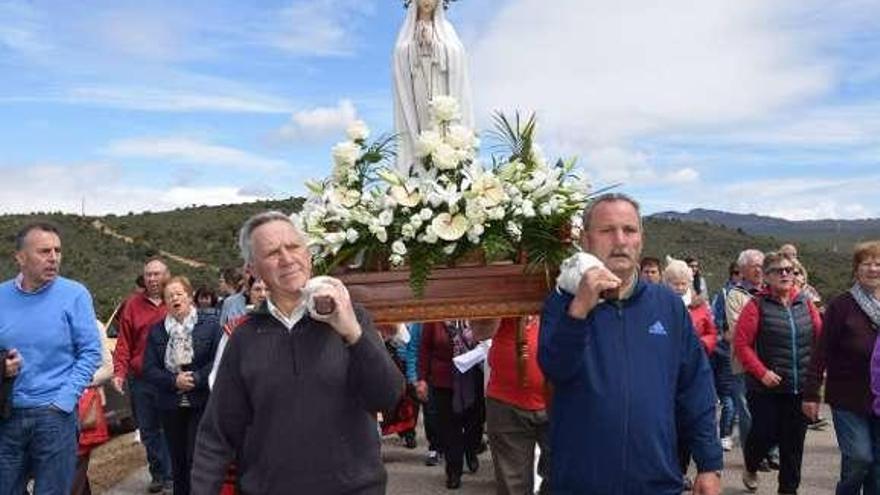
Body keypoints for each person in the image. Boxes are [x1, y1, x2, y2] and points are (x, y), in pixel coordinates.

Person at [191, 211, 404, 494]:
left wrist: (353, 333)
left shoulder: (354, 319)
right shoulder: (243, 339)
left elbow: (387, 397)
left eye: (293, 247)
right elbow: (216, 434)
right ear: (252, 269)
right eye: (272, 252)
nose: (287, 258)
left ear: (308, 254)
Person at [538, 193, 722, 494]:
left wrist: (709, 464)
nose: (620, 240)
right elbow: (555, 370)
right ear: (586, 240)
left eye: (629, 230)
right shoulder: (562, 302)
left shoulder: (668, 305)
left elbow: (695, 387)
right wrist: (580, 310)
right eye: (607, 230)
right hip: (581, 482)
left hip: (656, 480)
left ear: (641, 239)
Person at [0, 222, 102, 495]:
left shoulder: (75, 294)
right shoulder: (1, 296)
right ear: (20, 257)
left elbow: (91, 352)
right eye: (44, 251)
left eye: (57, 250)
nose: (53, 257)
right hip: (8, 415)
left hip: (55, 416)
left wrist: (64, 401)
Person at [735, 251, 822, 494]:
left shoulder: (805, 303)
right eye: (778, 270)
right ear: (767, 276)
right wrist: (762, 373)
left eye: (789, 270)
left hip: (799, 387)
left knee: (793, 447)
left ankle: (788, 491)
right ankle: (751, 464)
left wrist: (818, 375)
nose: (785, 274)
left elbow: (820, 338)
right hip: (765, 388)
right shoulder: (756, 305)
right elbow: (741, 345)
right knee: (763, 434)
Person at [806, 240, 880, 494]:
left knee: (878, 471)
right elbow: (821, 351)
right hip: (848, 398)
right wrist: (812, 393)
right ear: (856, 269)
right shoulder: (842, 305)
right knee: (859, 459)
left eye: (878, 264)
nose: (873, 269)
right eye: (866, 263)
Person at [143, 276, 222, 495]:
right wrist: (173, 380)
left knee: (196, 457)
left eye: (179, 294)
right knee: (177, 461)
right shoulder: (157, 331)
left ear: (189, 296)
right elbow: (149, 369)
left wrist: (196, 378)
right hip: (171, 404)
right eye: (169, 296)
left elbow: (218, 361)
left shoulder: (211, 325)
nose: (175, 299)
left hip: (202, 402)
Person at [112, 257, 173, 493]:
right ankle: (158, 473)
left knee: (170, 427)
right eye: (149, 274)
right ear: (143, 278)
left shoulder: (175, 299)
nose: (153, 279)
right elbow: (124, 341)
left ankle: (171, 476)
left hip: (170, 378)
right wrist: (119, 372)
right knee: (148, 429)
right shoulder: (132, 305)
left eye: (157, 274)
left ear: (166, 274)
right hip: (141, 379)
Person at [393, 0, 473, 173]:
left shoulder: (447, 30)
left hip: (441, 87)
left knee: (442, 126)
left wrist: (435, 45)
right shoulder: (407, 31)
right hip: (418, 88)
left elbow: (457, 55)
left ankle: (446, 167)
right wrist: (414, 46)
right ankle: (420, 167)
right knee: (423, 127)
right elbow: (400, 56)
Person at [477, 316, 551, 495]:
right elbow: (480, 332)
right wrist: (502, 308)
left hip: (559, 401)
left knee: (563, 480)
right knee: (512, 486)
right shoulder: (497, 289)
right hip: (506, 402)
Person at [664, 257, 717, 490]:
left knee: (688, 427)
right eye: (674, 282)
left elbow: (712, 333)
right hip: (665, 376)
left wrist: (701, 345)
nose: (679, 286)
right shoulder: (659, 306)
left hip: (693, 372)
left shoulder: (700, 306)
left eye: (683, 282)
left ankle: (681, 470)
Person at [416, 320, 485, 490]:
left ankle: (471, 450)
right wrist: (422, 379)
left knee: (474, 423)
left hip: (472, 377)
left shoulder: (474, 314)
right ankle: (454, 470)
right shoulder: (434, 319)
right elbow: (424, 349)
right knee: (449, 427)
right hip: (443, 380)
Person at [725, 249, 765, 456]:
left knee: (770, 409)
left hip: (770, 361)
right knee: (747, 411)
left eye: (761, 265)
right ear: (742, 270)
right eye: (753, 266)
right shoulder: (735, 295)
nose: (759, 270)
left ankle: (770, 452)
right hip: (742, 363)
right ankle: (752, 456)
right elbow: (737, 329)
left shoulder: (772, 292)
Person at [72, 321, 114, 495]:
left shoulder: (92, 324)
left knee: (76, 466)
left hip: (82, 405)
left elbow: (107, 368)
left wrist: (76, 382)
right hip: (50, 410)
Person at [710, 261, 740, 451]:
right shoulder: (724, 294)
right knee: (728, 395)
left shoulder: (748, 294)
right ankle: (724, 434)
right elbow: (717, 319)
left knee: (730, 395)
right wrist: (725, 335)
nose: (740, 276)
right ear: (731, 274)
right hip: (724, 350)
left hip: (736, 350)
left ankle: (727, 432)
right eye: (736, 273)